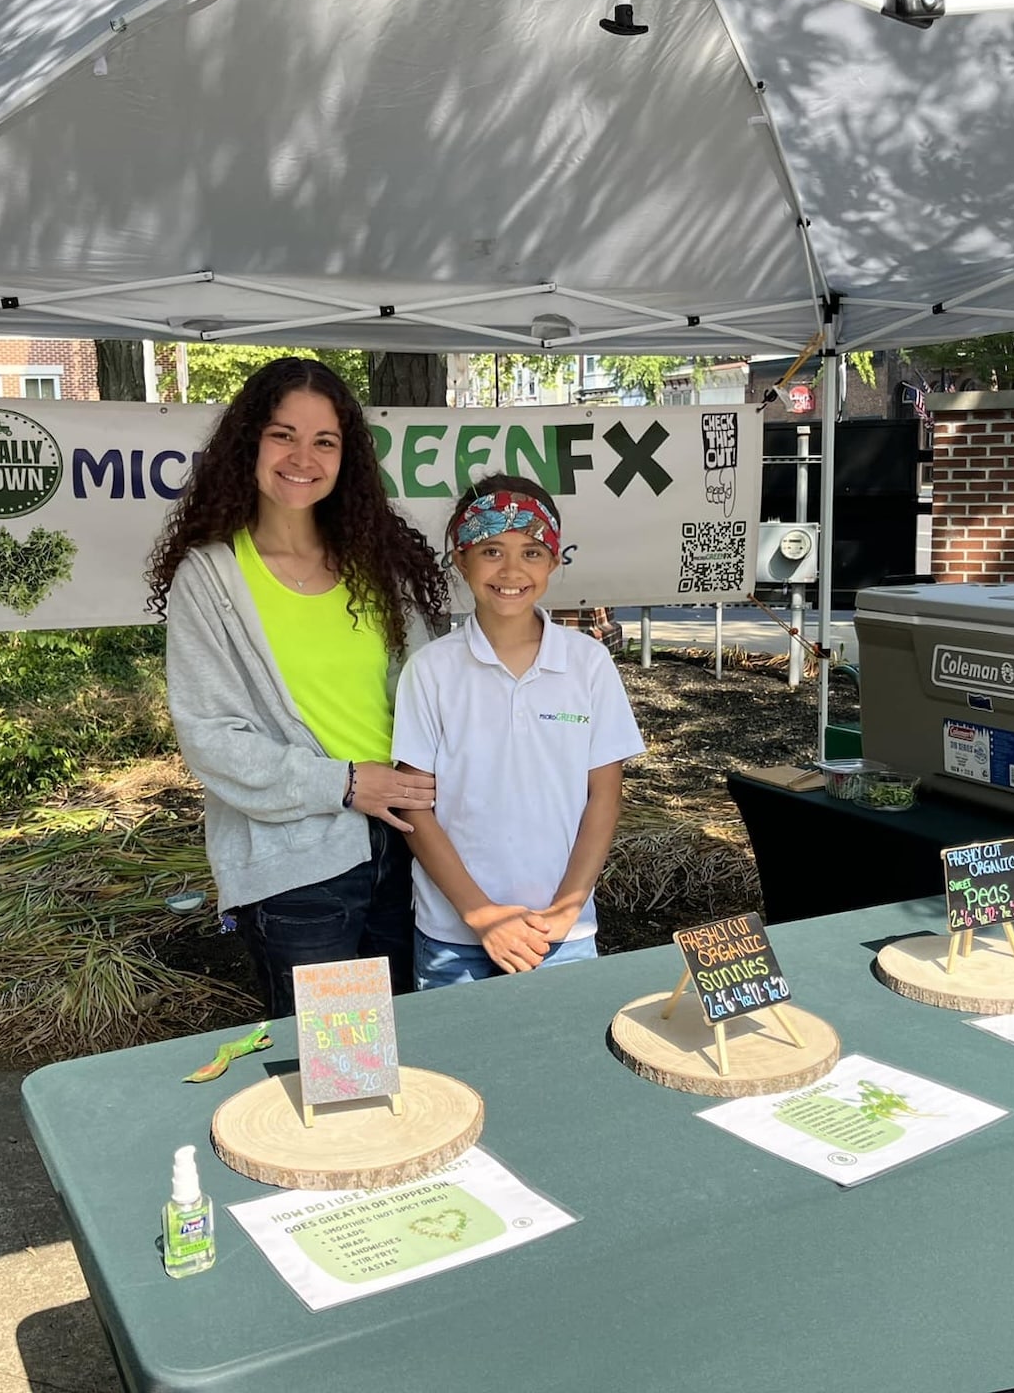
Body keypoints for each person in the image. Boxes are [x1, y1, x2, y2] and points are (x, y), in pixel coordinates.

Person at [146, 356, 448, 1017]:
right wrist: (342, 783)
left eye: (324, 441)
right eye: (283, 434)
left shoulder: (378, 566)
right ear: (249, 442)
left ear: (348, 459)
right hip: (299, 870)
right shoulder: (213, 579)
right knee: (343, 1074)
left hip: (406, 845)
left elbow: (431, 699)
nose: (301, 456)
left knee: (410, 1050)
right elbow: (210, 737)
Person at [392, 475, 645, 988]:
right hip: (453, 936)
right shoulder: (431, 669)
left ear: (554, 561)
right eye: (491, 550)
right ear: (460, 559)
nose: (511, 570)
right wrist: (482, 915)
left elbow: (604, 799)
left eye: (531, 552)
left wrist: (565, 910)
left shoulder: (588, 665)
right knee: (456, 1066)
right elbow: (413, 804)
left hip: (563, 937)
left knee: (558, 1060)